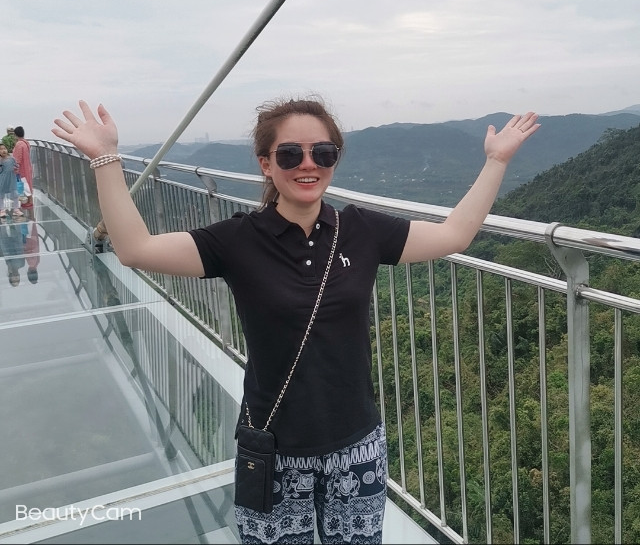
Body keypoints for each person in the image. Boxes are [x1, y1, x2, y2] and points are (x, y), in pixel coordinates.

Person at [52, 97, 540, 544]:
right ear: (266, 163)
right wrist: (105, 159)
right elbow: (136, 250)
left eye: (322, 153)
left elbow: (454, 235)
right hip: (274, 450)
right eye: (290, 154)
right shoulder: (238, 241)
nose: (308, 164)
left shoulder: (362, 231)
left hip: (356, 447)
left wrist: (496, 161)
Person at [12, 126, 33, 209]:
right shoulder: (26, 143)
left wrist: (14, 167)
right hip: (27, 166)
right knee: (27, 183)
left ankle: (29, 201)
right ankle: (29, 201)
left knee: (24, 185)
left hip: (21, 169)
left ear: (15, 134)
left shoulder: (19, 144)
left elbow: (18, 158)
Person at [0, 143, 22, 218]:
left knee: (15, 193)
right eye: (1, 149)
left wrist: (16, 169)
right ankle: (2, 210)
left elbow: (17, 166)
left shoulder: (12, 159)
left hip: (12, 179)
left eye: (4, 149)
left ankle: (16, 209)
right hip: (2, 179)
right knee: (1, 195)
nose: (3, 150)